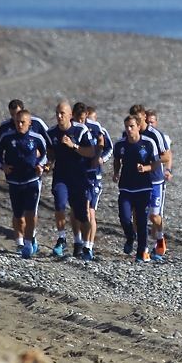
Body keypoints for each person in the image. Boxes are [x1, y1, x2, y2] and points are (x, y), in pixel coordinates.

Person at [0, 99, 51, 251]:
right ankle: (19, 241)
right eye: (13, 117)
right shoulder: (6, 132)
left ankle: (29, 241)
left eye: (19, 118)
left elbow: (48, 147)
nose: (16, 121)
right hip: (14, 180)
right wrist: (2, 166)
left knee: (31, 212)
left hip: (32, 179)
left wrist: (42, 164)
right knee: (18, 214)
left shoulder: (37, 128)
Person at [46, 101, 97, 259]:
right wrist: (48, 163)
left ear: (70, 115)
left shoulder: (80, 130)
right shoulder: (51, 132)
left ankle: (86, 246)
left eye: (62, 113)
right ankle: (62, 238)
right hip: (61, 176)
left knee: (82, 215)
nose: (59, 116)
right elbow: (50, 153)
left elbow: (91, 152)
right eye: (57, 113)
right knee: (60, 204)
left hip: (79, 178)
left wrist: (73, 145)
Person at [113, 115, 161, 263]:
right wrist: (116, 172)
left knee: (141, 221)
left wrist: (145, 167)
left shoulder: (148, 143)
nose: (128, 129)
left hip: (144, 188)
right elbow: (116, 160)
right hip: (126, 187)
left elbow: (157, 163)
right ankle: (129, 236)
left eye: (131, 126)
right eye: (126, 126)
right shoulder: (120, 144)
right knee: (125, 217)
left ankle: (141, 253)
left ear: (138, 127)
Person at [128, 104, 171, 260]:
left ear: (144, 116)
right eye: (134, 120)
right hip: (138, 180)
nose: (137, 123)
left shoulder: (155, 135)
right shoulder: (130, 132)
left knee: (154, 215)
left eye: (139, 119)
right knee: (138, 215)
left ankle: (159, 238)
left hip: (155, 180)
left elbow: (166, 156)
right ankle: (143, 248)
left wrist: (152, 162)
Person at [71, 102, 112, 260]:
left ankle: (88, 246)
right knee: (76, 211)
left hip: (93, 175)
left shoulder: (95, 128)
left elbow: (109, 147)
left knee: (90, 212)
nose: (81, 122)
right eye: (78, 119)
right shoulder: (70, 129)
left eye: (83, 119)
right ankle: (78, 242)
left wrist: (102, 158)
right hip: (76, 175)